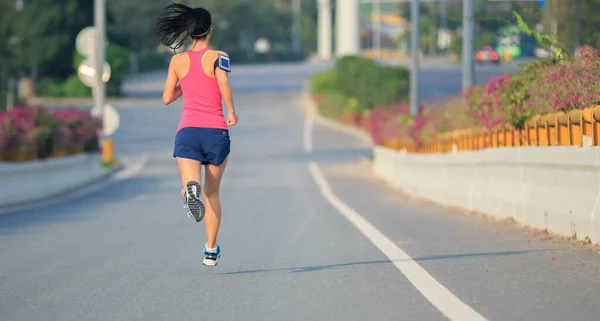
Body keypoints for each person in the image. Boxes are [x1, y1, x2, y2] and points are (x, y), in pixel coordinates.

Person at [153, 3, 238, 267]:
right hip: (215, 132)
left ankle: (189, 191)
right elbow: (223, 82)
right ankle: (211, 250)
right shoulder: (219, 56)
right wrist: (232, 111)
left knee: (193, 187)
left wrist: (185, 83)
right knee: (212, 194)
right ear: (210, 31)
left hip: (188, 132)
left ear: (189, 34)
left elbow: (167, 97)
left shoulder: (177, 61)